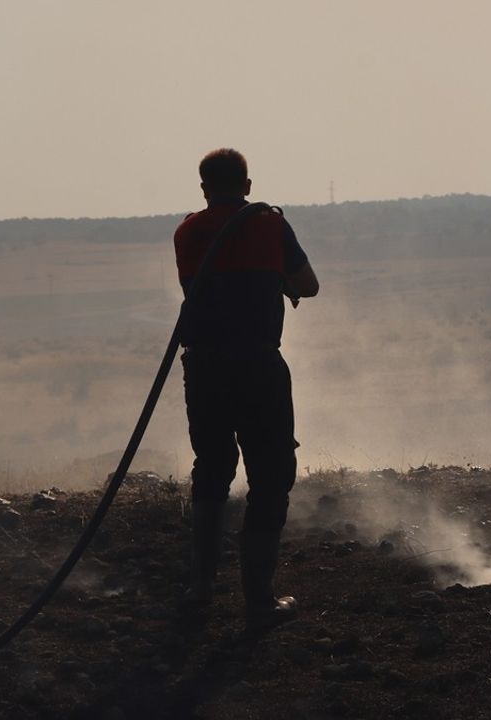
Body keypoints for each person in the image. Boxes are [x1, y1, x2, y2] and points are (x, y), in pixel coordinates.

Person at [173, 148, 318, 625]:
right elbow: (308, 284)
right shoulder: (271, 225)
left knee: (211, 469)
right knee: (271, 474)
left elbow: (207, 288)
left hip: (205, 367)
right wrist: (276, 281)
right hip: (258, 365)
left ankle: (200, 589)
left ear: (203, 188)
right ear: (248, 185)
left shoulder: (187, 231)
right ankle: (259, 597)